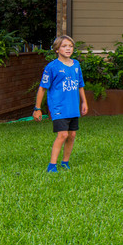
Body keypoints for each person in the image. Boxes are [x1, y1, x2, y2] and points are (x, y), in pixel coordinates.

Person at [33, 35, 88, 172]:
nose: (68, 48)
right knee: (62, 134)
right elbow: (42, 88)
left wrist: (84, 102)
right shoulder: (51, 67)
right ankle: (52, 165)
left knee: (72, 135)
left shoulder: (76, 65)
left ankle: (65, 162)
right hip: (59, 106)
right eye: (64, 46)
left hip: (73, 106)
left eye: (70, 46)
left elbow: (80, 85)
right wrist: (37, 108)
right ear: (57, 49)